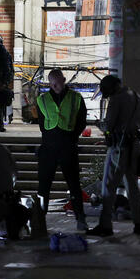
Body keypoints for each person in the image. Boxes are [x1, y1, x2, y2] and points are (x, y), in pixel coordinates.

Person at [31, 69, 89, 231]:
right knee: (43, 187)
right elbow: (42, 124)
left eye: (59, 83)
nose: (56, 86)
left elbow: (81, 121)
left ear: (64, 80)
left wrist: (72, 136)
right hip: (48, 147)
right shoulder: (42, 100)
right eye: (53, 84)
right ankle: (40, 221)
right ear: (49, 83)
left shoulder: (76, 98)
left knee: (74, 185)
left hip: (67, 145)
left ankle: (80, 219)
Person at [89, 75, 140, 237]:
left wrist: (99, 125)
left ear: (111, 88)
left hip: (118, 148)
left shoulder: (116, 99)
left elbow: (109, 124)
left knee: (108, 187)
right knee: (133, 187)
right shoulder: (138, 97)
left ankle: (105, 226)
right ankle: (139, 224)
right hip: (135, 146)